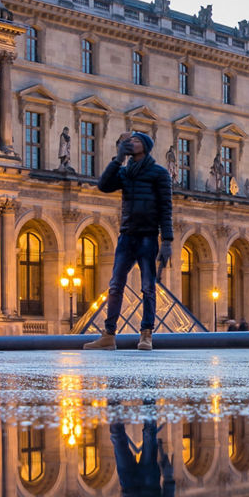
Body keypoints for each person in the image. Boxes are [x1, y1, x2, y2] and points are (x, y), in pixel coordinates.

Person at [90, 132, 173, 350]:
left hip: (147, 235)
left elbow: (166, 209)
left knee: (148, 287)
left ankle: (146, 335)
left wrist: (167, 241)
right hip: (127, 234)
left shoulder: (159, 173)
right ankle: (108, 335)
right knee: (115, 285)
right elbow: (103, 185)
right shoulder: (126, 173)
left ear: (145, 146)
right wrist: (117, 159)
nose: (131, 143)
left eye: (135, 140)